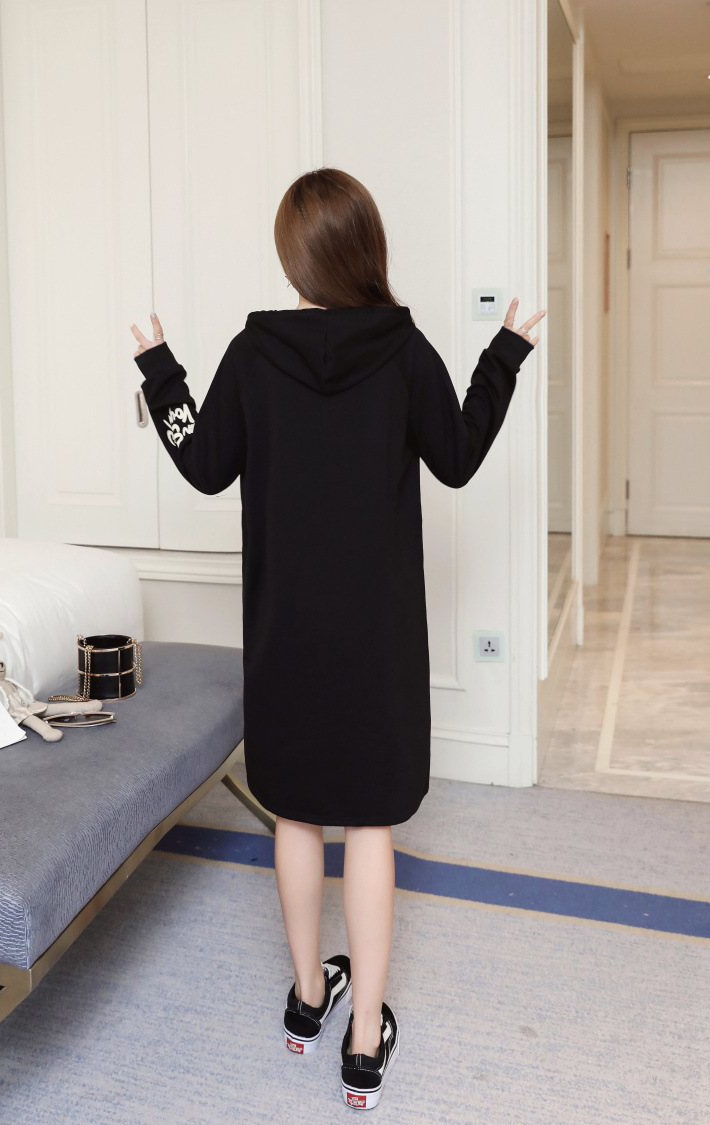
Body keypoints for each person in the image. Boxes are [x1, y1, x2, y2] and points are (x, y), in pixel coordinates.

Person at [130, 167, 545, 1110]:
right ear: (366, 251)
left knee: (295, 814)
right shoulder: (402, 349)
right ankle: (364, 1045)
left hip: (286, 633)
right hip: (377, 644)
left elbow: (203, 463)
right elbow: (459, 455)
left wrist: (161, 369)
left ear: (296, 260)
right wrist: (506, 353)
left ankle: (310, 997)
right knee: (369, 823)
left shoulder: (254, 351)